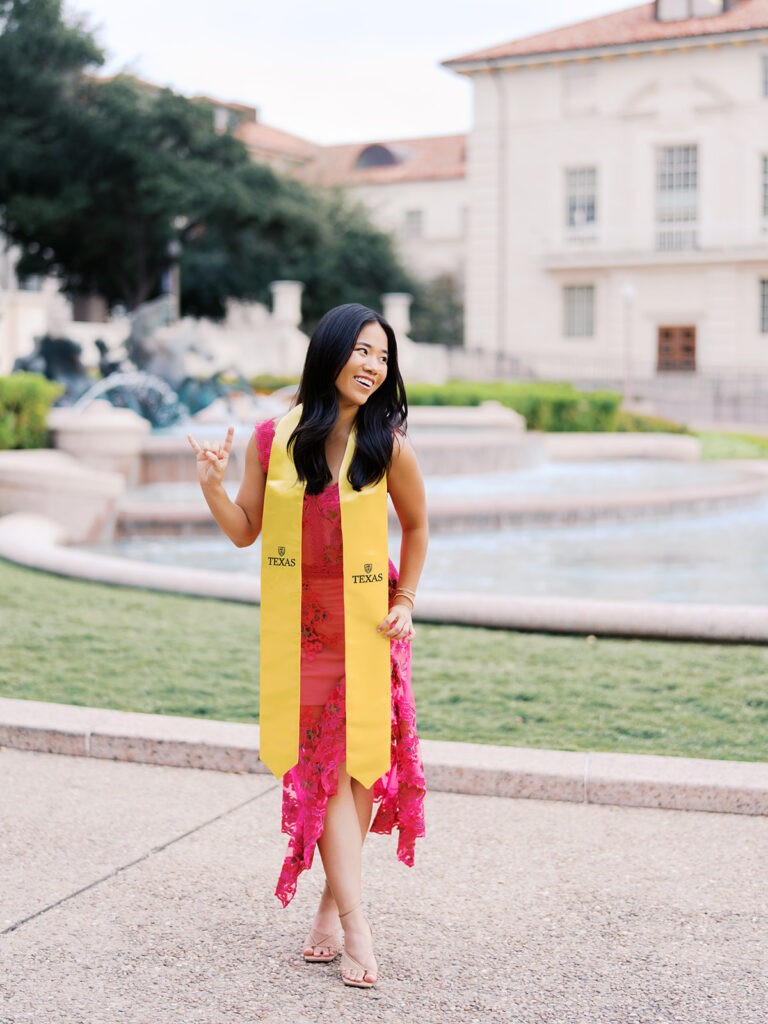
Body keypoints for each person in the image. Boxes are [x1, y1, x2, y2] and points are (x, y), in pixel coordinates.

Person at [186, 303, 428, 989]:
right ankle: (356, 921)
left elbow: (417, 528)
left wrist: (405, 601)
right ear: (329, 353)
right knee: (320, 771)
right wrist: (211, 485)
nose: (373, 366)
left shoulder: (389, 445)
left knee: (357, 770)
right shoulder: (273, 439)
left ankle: (332, 903)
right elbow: (244, 530)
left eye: (383, 356)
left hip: (368, 623)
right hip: (304, 632)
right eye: (361, 350)